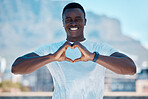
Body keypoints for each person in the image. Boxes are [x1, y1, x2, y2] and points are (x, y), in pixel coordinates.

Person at [11, 2, 136, 99]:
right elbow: (16, 68)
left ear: (85, 21)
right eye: (68, 20)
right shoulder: (52, 49)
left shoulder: (99, 49)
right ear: (63, 23)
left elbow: (131, 68)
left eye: (77, 19)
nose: (73, 23)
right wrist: (52, 57)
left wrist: (93, 57)